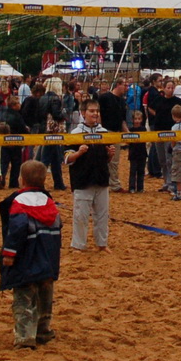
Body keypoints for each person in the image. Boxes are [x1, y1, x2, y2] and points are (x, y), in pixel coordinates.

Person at [0, 158, 61, 349]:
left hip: (26, 258)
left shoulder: (19, 202)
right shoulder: (49, 202)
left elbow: (16, 230)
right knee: (45, 296)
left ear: (22, 180)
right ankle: (43, 330)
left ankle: (25, 337)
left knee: (24, 298)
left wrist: (9, 253)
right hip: (47, 258)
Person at [66, 99, 111, 251]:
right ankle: (78, 246)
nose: (95, 114)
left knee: (102, 216)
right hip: (82, 179)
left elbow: (107, 159)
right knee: (81, 216)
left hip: (101, 178)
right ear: (83, 113)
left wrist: (109, 155)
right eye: (92, 111)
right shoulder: (75, 133)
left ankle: (102, 245)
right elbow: (67, 159)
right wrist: (78, 153)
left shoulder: (104, 132)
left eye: (97, 111)